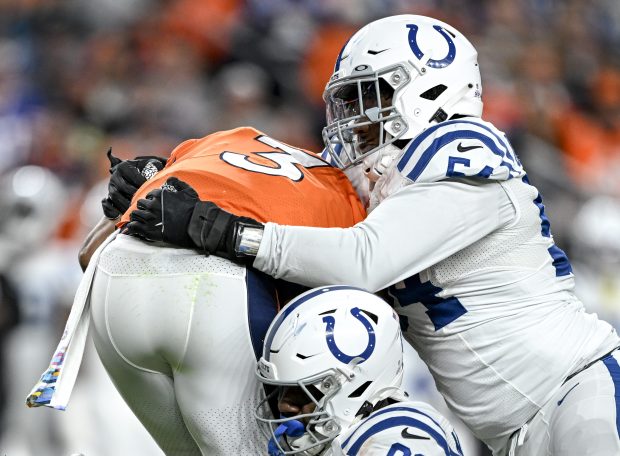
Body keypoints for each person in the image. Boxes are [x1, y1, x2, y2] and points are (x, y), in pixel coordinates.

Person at [126, 15, 620, 455]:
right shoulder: (382, 181)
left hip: (578, 391)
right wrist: (169, 177)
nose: (354, 117)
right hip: (511, 432)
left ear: (430, 91)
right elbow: (280, 183)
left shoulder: (463, 148)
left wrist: (230, 233)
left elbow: (362, 261)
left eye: (372, 95)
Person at [81, 127, 365, 455]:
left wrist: (116, 210)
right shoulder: (351, 209)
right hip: (215, 289)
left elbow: (87, 257)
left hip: (112, 278)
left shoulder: (223, 140)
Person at [254, 285, 464, 456]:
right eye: (283, 389)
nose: (283, 405)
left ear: (354, 384)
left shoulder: (395, 435)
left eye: (303, 391)